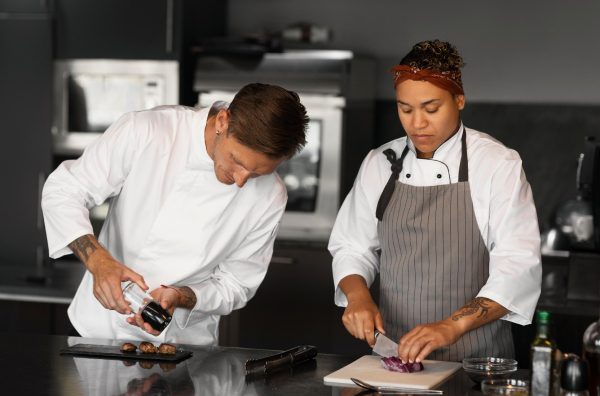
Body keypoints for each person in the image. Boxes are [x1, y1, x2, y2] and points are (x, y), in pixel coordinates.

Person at [42, 83, 309, 345]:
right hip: (96, 330)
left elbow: (236, 285)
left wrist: (180, 296)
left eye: (257, 174)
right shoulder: (149, 130)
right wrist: (98, 262)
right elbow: (64, 190)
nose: (240, 180)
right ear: (222, 121)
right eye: (237, 161)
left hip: (183, 348)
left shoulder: (271, 195)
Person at [328, 40, 541, 362]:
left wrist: (450, 326)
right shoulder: (380, 163)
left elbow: (517, 266)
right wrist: (358, 298)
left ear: (459, 100)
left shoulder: (497, 164)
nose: (417, 123)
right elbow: (352, 246)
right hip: (395, 358)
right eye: (405, 109)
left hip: (477, 361)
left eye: (431, 109)